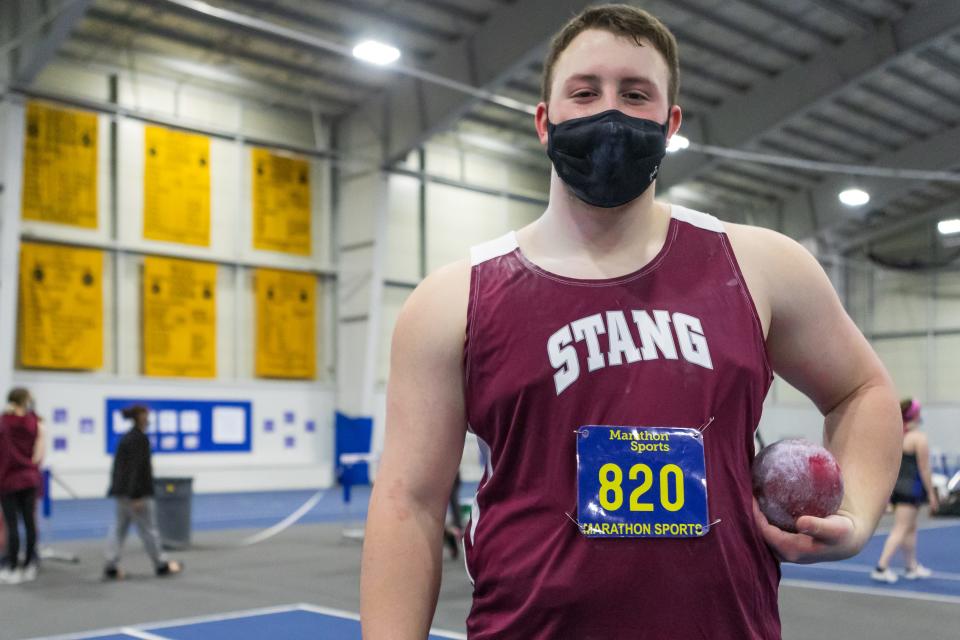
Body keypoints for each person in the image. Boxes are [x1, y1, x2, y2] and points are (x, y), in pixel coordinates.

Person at [360, 5, 902, 638]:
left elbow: (863, 389)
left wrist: (858, 514)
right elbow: (410, 505)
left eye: (635, 94)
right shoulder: (453, 301)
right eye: (585, 92)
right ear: (545, 120)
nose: (609, 113)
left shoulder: (761, 266)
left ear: (670, 124)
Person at [104, 405, 182, 579]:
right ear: (140, 417)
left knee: (119, 529)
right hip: (137, 494)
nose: (148, 418)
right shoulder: (139, 440)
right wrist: (136, 496)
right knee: (149, 529)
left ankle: (111, 565)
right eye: (146, 415)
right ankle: (161, 564)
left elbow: (120, 470)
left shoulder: (126, 438)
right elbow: (136, 470)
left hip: (123, 493)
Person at [871, 398, 939, 583]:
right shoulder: (918, 438)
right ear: (916, 415)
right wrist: (932, 494)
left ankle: (911, 566)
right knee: (901, 528)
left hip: (899, 488)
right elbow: (924, 469)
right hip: (911, 489)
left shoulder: (897, 436)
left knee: (910, 528)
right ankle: (881, 567)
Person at [0, 388, 45, 585]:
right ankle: (29, 564)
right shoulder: (36, 422)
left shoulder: (3, 422)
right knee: (29, 523)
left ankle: (11, 566)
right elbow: (38, 456)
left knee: (12, 525)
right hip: (29, 479)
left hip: (8, 479)